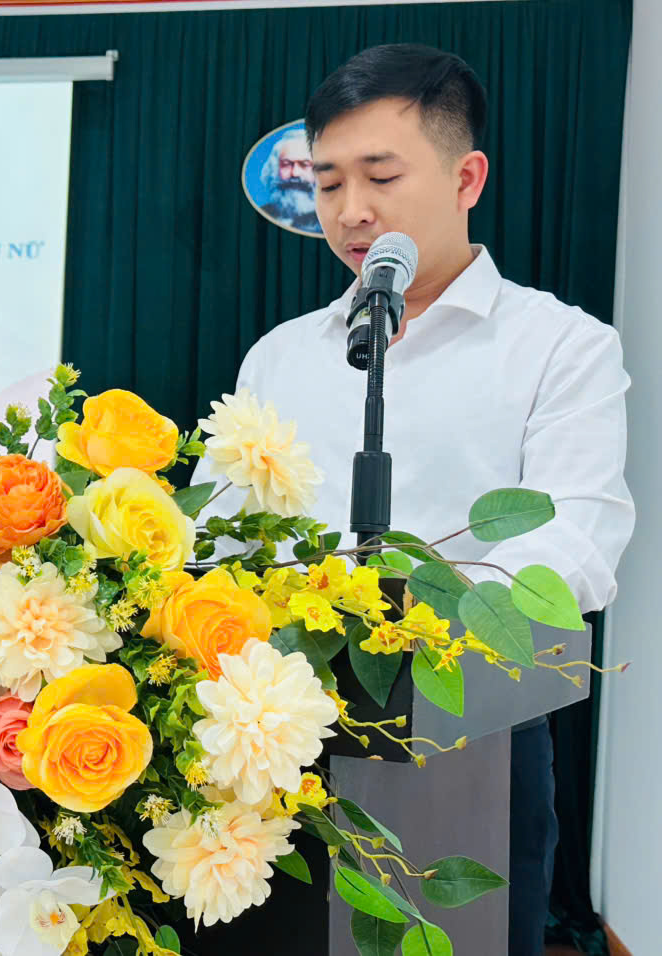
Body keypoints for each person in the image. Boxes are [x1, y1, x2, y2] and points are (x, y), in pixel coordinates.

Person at [193, 44, 634, 956]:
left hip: (469, 742)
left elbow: (577, 546)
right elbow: (219, 531)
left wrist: (410, 625)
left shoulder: (560, 347)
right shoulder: (282, 354)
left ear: (467, 177)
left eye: (381, 176)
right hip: (269, 747)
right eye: (327, 183)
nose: (351, 210)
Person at [257, 127, 322, 232]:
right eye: (286, 164)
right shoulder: (261, 216)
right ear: (274, 170)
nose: (295, 173)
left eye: (305, 164)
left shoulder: (335, 220)